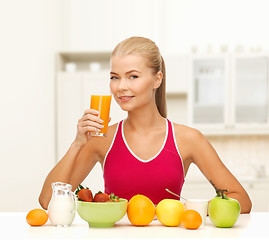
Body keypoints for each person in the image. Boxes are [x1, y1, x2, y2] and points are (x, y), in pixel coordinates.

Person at [39, 37, 252, 213]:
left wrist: (194, 210)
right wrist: (77, 144)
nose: (121, 86)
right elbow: (47, 201)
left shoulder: (188, 139)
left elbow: (241, 199)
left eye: (133, 76)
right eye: (115, 77)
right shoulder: (102, 139)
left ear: (157, 80)